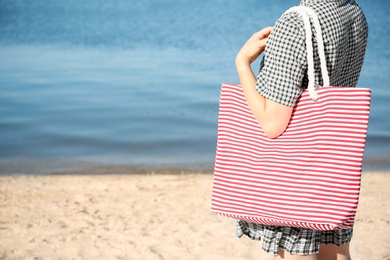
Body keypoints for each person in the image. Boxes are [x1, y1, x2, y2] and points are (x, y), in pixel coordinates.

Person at [234, 0, 368, 259]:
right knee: (336, 250)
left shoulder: (296, 23)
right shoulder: (353, 11)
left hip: (296, 171)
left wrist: (242, 63)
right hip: (333, 166)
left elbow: (272, 124)